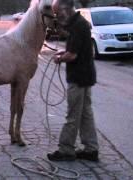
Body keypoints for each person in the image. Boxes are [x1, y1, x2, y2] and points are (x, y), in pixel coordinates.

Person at [47, 0, 99, 162]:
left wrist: (60, 58)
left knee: (73, 114)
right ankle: (91, 149)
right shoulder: (79, 23)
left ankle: (66, 150)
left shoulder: (77, 26)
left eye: (57, 12)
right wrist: (65, 52)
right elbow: (76, 49)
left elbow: (73, 55)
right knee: (85, 113)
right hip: (86, 75)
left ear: (65, 9)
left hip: (78, 77)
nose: (56, 16)